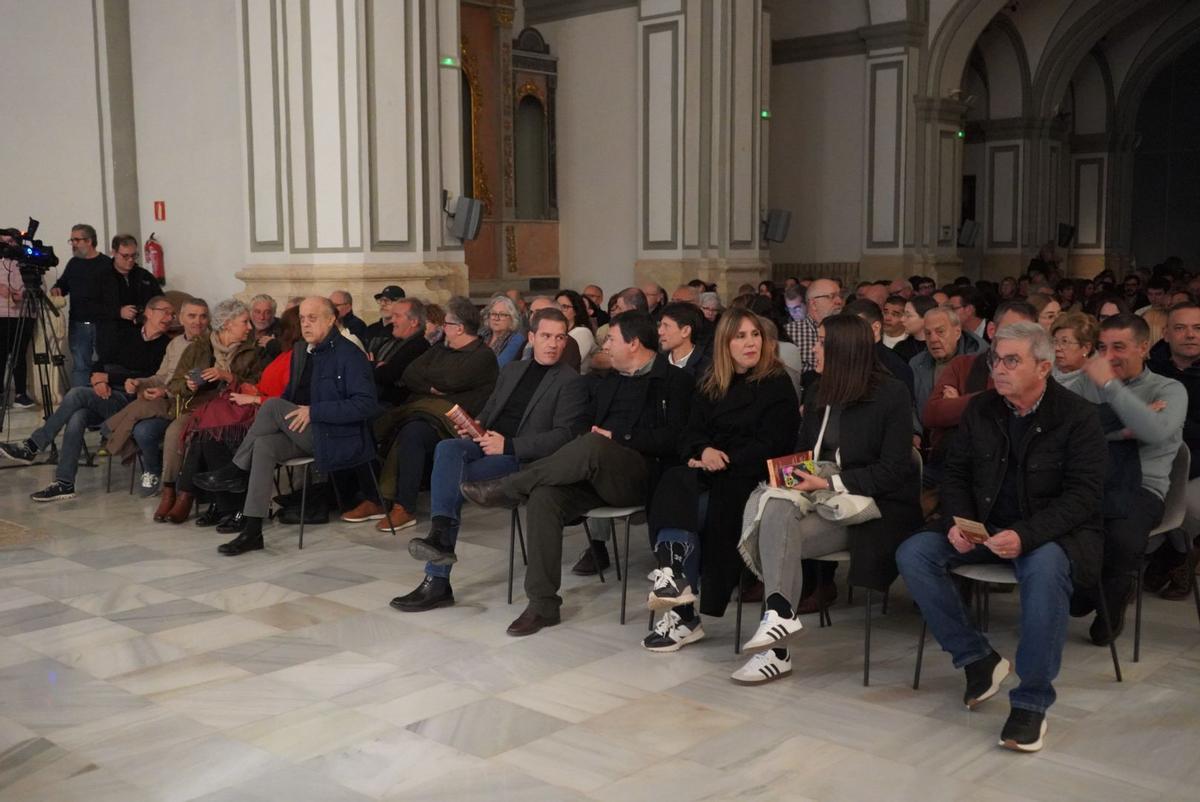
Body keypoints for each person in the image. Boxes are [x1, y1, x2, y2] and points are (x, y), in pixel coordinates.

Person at [897, 321, 1107, 752]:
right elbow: (954, 474)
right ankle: (978, 658)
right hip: (985, 527)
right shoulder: (982, 409)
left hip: (1047, 535)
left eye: (1012, 360)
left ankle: (1031, 702)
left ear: (1044, 367)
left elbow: (1083, 497)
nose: (998, 369)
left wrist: (1025, 536)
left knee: (1046, 569)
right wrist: (960, 521)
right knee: (915, 552)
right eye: (996, 359)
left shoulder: (1078, 417)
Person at [460, 311, 692, 635]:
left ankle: (510, 486)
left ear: (633, 343)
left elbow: (679, 439)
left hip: (642, 476)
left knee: (596, 444)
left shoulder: (675, 381)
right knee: (545, 496)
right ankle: (542, 605)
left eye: (611, 338)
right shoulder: (607, 381)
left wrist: (620, 439)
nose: (605, 345)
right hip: (595, 473)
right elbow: (579, 427)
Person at [734, 314, 919, 683]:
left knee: (777, 525)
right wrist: (791, 476)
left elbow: (894, 472)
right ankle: (779, 623)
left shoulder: (891, 394)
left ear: (844, 351)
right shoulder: (819, 390)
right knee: (774, 509)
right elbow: (804, 451)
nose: (813, 349)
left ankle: (777, 646)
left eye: (820, 343)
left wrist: (830, 484)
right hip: (819, 501)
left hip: (870, 507)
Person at [389, 308, 589, 612]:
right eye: (546, 336)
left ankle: (438, 577)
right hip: (487, 442)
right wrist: (473, 427)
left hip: (524, 460)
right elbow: (489, 410)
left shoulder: (570, 381)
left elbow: (563, 437)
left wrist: (508, 445)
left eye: (560, 337)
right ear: (532, 337)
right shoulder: (512, 370)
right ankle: (440, 536)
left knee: (457, 476)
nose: (553, 344)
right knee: (449, 449)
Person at [640, 308, 798, 651]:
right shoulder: (712, 381)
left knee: (693, 507)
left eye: (754, 335)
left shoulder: (776, 382)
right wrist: (704, 450)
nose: (750, 343)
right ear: (725, 344)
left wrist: (722, 460)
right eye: (740, 336)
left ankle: (683, 611)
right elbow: (690, 432)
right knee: (675, 480)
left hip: (750, 476)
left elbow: (777, 442)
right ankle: (676, 585)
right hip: (712, 472)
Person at [193, 297, 378, 555]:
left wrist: (315, 411)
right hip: (306, 431)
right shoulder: (303, 351)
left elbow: (366, 405)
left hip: (337, 435)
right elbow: (292, 397)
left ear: (331, 319)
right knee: (264, 445)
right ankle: (252, 531)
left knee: (272, 406)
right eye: (302, 319)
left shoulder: (349, 354)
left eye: (313, 318)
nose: (306, 324)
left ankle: (236, 470)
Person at [0, 297, 175, 500]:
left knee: (76, 393)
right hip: (106, 393)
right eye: (165, 312)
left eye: (172, 314)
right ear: (149, 312)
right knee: (78, 417)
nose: (169, 318)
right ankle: (65, 483)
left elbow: (148, 376)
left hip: (132, 401)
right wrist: (97, 381)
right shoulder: (127, 333)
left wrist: (110, 377)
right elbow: (100, 362)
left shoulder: (166, 346)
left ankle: (33, 445)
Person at [1078, 313, 1186, 643]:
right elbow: (1071, 432)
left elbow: (1153, 430)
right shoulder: (1085, 383)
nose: (1108, 356)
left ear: (1143, 348)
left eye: (1119, 347)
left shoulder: (1169, 389)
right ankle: (1080, 593)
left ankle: (1111, 608)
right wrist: (1122, 430)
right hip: (1091, 479)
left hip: (1144, 486)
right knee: (1062, 526)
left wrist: (1111, 390)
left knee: (1122, 537)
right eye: (1102, 347)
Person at [366, 297, 498, 531]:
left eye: (446, 324)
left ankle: (403, 506)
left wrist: (434, 382)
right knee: (399, 423)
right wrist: (432, 388)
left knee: (413, 432)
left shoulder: (483, 356)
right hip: (426, 411)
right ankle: (377, 497)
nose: (440, 328)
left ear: (459, 328)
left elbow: (453, 379)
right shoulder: (441, 348)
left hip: (456, 422)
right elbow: (410, 373)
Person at [160, 299, 264, 524]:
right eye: (244, 322)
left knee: (204, 433)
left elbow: (258, 387)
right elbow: (174, 385)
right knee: (174, 432)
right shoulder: (198, 347)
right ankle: (170, 490)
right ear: (227, 324)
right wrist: (188, 385)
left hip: (235, 409)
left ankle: (187, 496)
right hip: (199, 406)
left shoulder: (252, 351)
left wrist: (228, 377)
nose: (250, 327)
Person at [1146, 302, 1200, 598]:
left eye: (1197, 328)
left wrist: (1172, 420)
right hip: (1151, 461)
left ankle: (1178, 554)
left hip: (1196, 467)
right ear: (1166, 334)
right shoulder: (1149, 368)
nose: (1190, 335)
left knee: (1188, 507)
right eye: (1180, 328)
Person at [51, 224, 113, 387]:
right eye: (71, 240)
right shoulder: (74, 263)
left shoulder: (106, 264)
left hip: (102, 323)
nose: (73, 244)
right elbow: (63, 284)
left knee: (103, 364)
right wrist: (57, 289)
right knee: (80, 366)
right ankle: (79, 401)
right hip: (78, 323)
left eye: (76, 240)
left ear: (89, 241)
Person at [910, 305, 985, 418]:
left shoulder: (978, 362)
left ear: (957, 332)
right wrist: (916, 433)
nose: (933, 339)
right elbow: (910, 406)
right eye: (928, 333)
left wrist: (956, 404)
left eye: (940, 332)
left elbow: (983, 410)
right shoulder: (916, 363)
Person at [843, 299, 914, 398]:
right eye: (843, 328)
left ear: (875, 328)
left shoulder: (895, 366)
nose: (846, 334)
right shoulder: (840, 360)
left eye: (855, 328)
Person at [100, 234, 162, 343]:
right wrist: (118, 312)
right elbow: (90, 307)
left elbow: (160, 300)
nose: (130, 260)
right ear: (114, 253)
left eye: (134, 255)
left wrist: (148, 312)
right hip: (112, 336)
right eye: (125, 256)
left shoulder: (144, 276)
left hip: (143, 334)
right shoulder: (101, 277)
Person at [373, 298, 432, 404]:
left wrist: (379, 367)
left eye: (398, 316)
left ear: (413, 322)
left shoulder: (418, 347)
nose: (392, 320)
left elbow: (388, 376)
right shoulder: (394, 341)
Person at [0, 227, 34, 408]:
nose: (7, 246)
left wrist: (23, 294)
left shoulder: (27, 262)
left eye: (10, 242)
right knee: (1, 355)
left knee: (19, 355)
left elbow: (36, 287)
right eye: (3, 242)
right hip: (1, 315)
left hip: (23, 315)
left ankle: (20, 393)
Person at [788, 278, 843, 374]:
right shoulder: (790, 333)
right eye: (832, 296)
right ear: (813, 304)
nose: (839, 301)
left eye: (840, 296)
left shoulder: (849, 330)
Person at [657, 301, 708, 377]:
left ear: (685, 331)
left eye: (666, 326)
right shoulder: (656, 361)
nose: (659, 331)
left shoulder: (706, 368)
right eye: (660, 325)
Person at [556, 290, 596, 374]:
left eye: (564, 307)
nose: (559, 310)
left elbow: (566, 363)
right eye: (557, 306)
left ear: (576, 311)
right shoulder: (556, 331)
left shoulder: (582, 332)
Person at [482, 294, 526, 368]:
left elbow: (499, 365)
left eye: (502, 314)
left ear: (512, 318)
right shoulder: (482, 335)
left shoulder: (516, 339)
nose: (496, 318)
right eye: (493, 314)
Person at [894, 295, 936, 363]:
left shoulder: (939, 345)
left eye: (908, 315)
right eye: (903, 314)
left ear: (926, 318)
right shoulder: (901, 348)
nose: (902, 319)